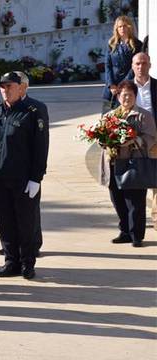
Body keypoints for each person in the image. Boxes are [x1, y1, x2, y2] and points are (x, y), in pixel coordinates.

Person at [0, 72, 49, 280]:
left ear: (22, 88)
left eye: (9, 86)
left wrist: (37, 177)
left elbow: (41, 147)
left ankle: (27, 263)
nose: (5, 90)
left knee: (26, 223)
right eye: (2, 87)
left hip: (24, 180)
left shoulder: (34, 110)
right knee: (5, 222)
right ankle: (11, 261)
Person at [98, 80, 157, 247]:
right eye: (124, 95)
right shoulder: (110, 116)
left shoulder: (143, 115)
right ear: (118, 96)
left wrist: (134, 140)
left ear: (135, 97)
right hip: (113, 163)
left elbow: (151, 137)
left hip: (134, 163)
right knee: (117, 199)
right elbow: (100, 137)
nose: (127, 99)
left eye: (130, 95)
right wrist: (104, 141)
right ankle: (124, 231)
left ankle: (136, 235)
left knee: (135, 201)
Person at [128, 53, 157, 230]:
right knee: (137, 182)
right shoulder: (126, 88)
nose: (141, 67)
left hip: (155, 140)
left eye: (144, 63)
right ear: (132, 66)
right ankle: (134, 225)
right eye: (137, 64)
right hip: (133, 143)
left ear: (150, 65)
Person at [103, 15, 143, 112]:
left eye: (125, 26)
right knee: (107, 117)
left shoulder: (137, 44)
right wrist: (111, 84)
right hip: (112, 87)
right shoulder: (111, 44)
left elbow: (135, 66)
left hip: (128, 84)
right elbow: (107, 65)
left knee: (126, 116)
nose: (122, 29)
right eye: (120, 26)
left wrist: (123, 84)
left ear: (129, 27)